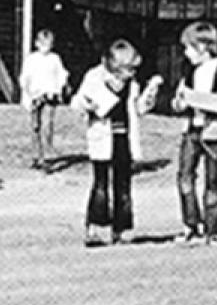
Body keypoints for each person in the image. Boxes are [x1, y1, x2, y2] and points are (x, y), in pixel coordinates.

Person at [69, 39, 161, 246]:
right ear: (116, 67)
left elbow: (137, 109)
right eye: (129, 70)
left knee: (124, 186)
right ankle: (97, 228)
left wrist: (149, 96)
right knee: (101, 184)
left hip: (124, 138)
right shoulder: (94, 77)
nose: (133, 74)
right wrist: (89, 104)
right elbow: (77, 102)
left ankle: (123, 228)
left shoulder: (133, 84)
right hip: (102, 138)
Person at [172, 20, 217, 245]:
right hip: (191, 130)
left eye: (188, 48)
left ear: (202, 47)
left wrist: (196, 99)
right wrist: (179, 103)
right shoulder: (189, 71)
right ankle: (190, 224)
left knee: (213, 182)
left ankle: (212, 231)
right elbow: (179, 99)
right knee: (184, 177)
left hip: (215, 133)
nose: (185, 53)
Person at [18, 29, 71, 168]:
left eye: (49, 44)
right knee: (35, 126)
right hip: (35, 96)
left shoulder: (55, 59)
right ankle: (36, 155)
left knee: (47, 124)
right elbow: (25, 77)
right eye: (43, 44)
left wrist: (59, 88)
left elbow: (62, 75)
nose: (46, 47)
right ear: (37, 43)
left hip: (50, 96)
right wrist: (27, 93)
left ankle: (46, 154)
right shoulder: (31, 59)